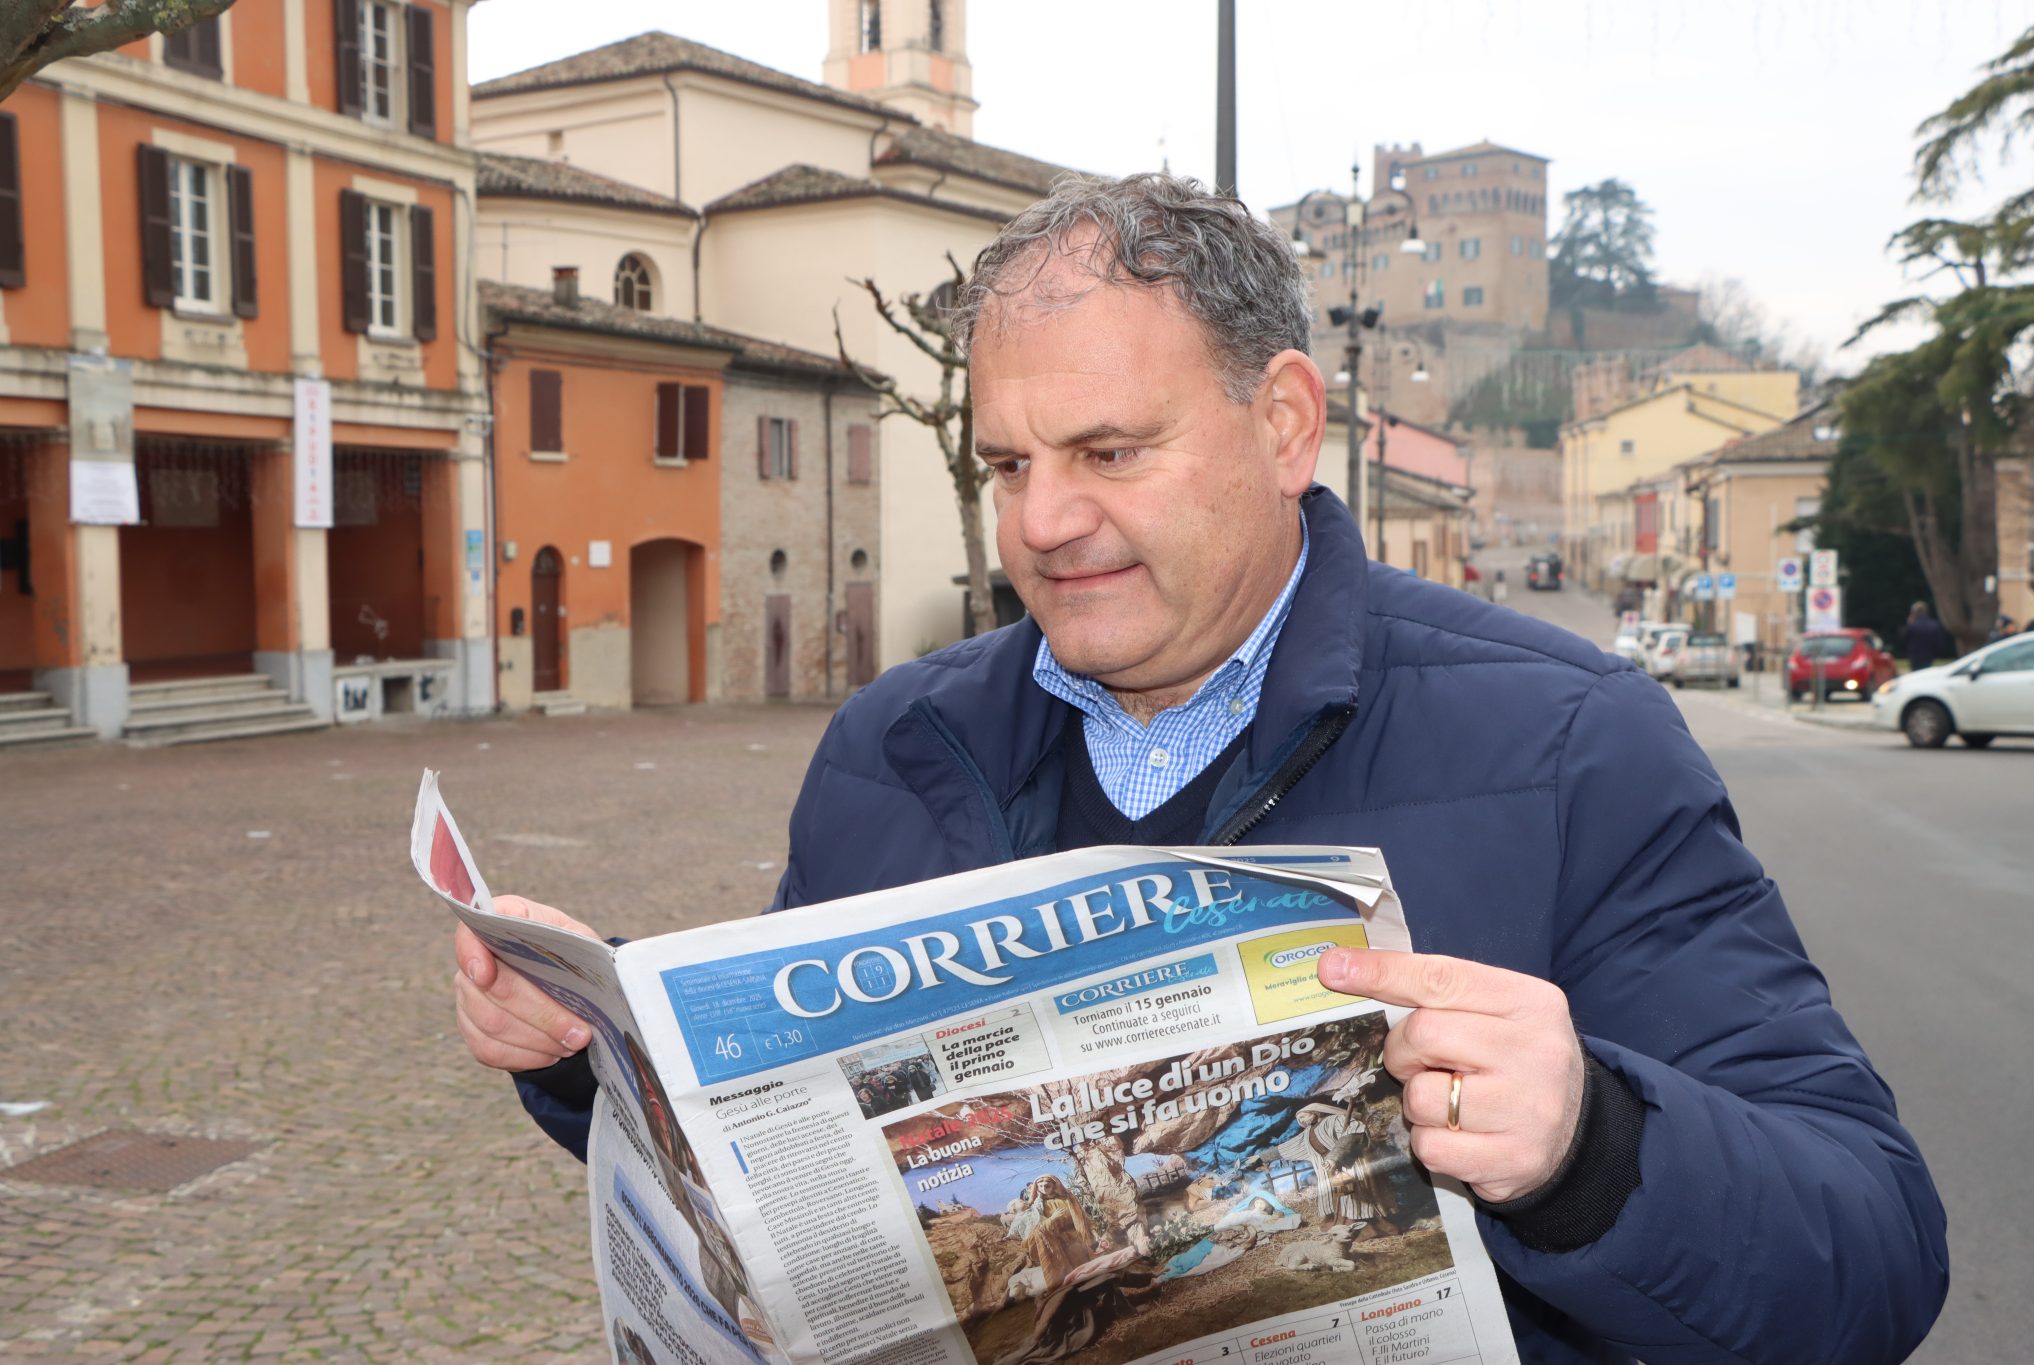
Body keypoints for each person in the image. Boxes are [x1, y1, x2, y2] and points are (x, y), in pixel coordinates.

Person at [453, 174, 1946, 1364]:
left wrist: (1589, 1144)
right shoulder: (888, 750)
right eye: (1008, 465)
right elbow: (805, 1160)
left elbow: (1873, 1254)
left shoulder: (1571, 740)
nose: (1042, 521)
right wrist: (611, 1044)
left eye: (1108, 451)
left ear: (1285, 422)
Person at [1901, 600, 1945, 670]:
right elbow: (1938, 643)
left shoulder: (1912, 625)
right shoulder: (1934, 625)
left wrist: (1908, 624)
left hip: (1915, 657)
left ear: (1914, 612)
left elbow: (1904, 639)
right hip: (1929, 656)